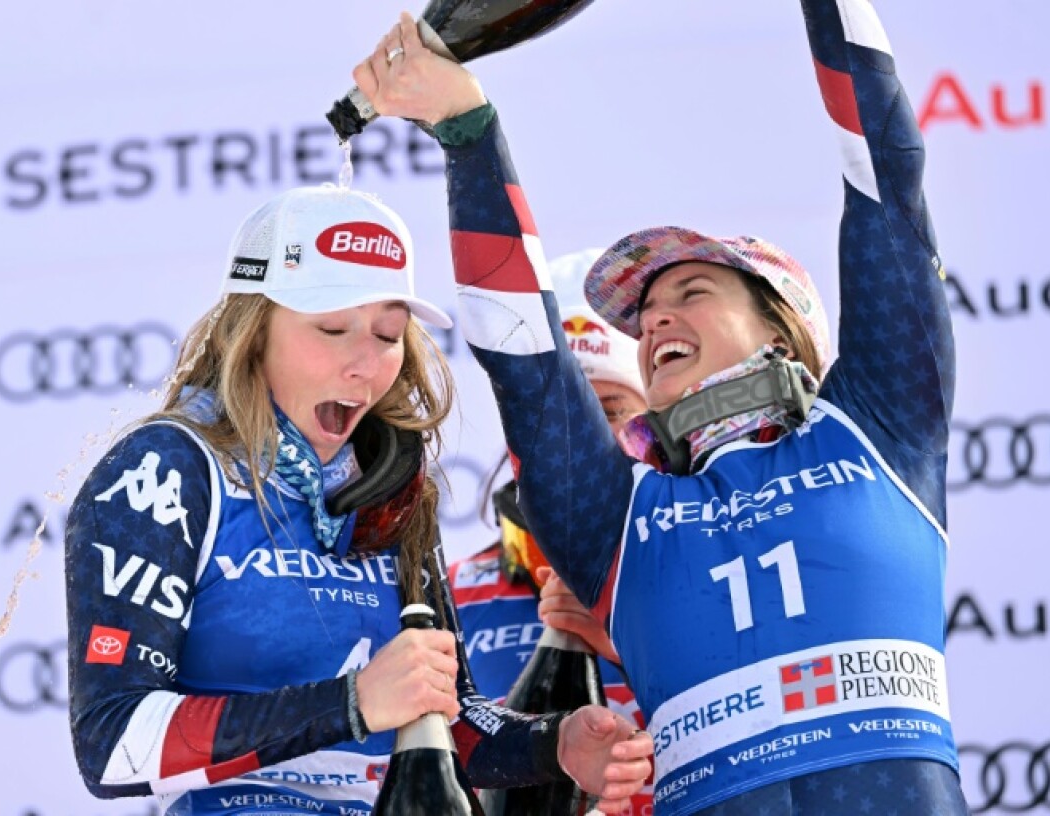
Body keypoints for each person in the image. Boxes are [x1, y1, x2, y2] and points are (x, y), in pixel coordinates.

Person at [358, 1, 968, 813]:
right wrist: (467, 130)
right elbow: (525, 360)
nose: (656, 322)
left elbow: (885, 184)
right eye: (644, 316)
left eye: (692, 291)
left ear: (781, 329)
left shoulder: (878, 428)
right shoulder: (617, 518)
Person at [62, 184, 653, 816]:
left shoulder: (389, 484)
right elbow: (112, 740)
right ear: (252, 330)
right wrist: (352, 703)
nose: (365, 367)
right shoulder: (170, 468)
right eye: (333, 328)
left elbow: (444, 716)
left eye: (388, 333)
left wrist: (552, 744)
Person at [448, 248, 654, 814]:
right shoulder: (452, 589)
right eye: (555, 416)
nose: (577, 439)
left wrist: (635, 644)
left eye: (608, 408)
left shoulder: (703, 574)